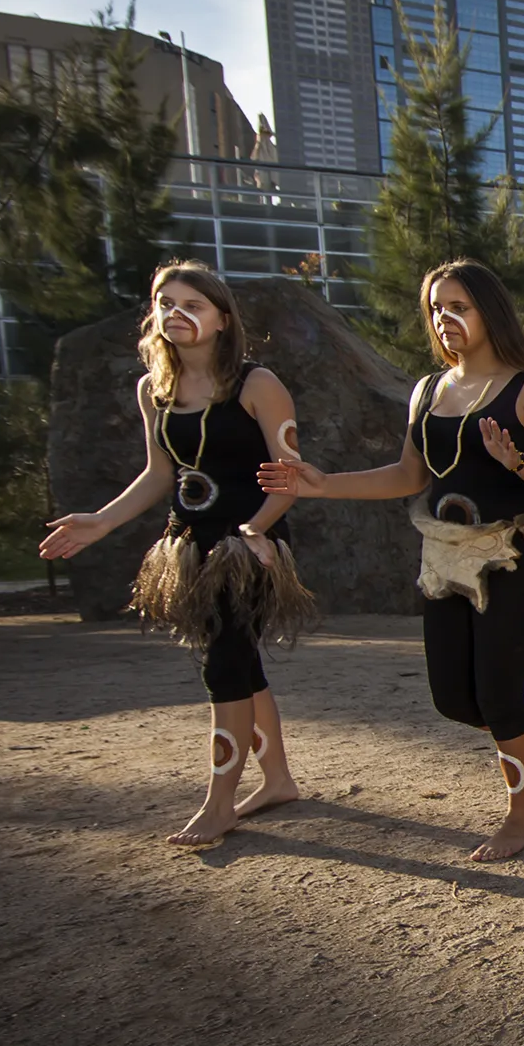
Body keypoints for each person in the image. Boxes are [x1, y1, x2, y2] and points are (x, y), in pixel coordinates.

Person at [258, 258, 524, 865]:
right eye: (436, 308)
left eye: (458, 306)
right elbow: (408, 475)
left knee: (498, 693)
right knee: (453, 700)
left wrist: (516, 463)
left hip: (517, 557)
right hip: (447, 558)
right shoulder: (428, 391)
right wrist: (321, 484)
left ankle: (523, 815)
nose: (444, 318)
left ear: (490, 312)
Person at [41, 261, 315, 848]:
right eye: (166, 303)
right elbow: (158, 474)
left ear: (221, 318)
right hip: (189, 545)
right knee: (239, 663)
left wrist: (255, 532)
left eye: (192, 304)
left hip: (250, 550)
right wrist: (99, 522)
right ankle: (277, 780)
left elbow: (289, 477)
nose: (176, 314)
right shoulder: (154, 389)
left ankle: (220, 804)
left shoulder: (258, 385)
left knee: (223, 666)